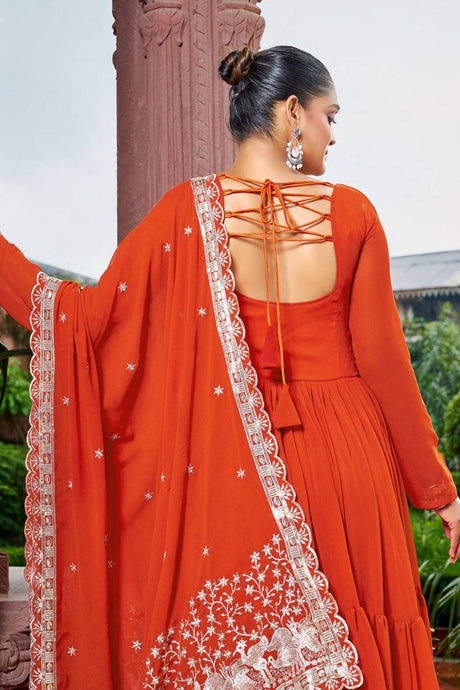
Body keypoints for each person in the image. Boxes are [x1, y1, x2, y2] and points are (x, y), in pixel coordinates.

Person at [0, 44, 458, 690]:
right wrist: (439, 493)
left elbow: (83, 320)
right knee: (361, 642)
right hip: (350, 462)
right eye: (329, 116)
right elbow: (386, 366)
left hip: (237, 462)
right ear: (293, 111)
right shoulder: (352, 213)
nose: (333, 134)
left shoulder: (184, 214)